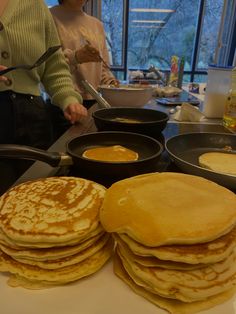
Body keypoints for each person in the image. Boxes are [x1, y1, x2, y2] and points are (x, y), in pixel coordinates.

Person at [0, 0, 87, 195]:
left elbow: (54, 65)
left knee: (38, 197)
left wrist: (68, 97)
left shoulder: (35, 6)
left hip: (33, 122)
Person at [50, 0, 119, 110]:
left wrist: (111, 83)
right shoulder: (49, 17)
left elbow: (103, 67)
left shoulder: (96, 25)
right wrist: (75, 58)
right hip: (63, 101)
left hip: (94, 100)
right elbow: (47, 65)